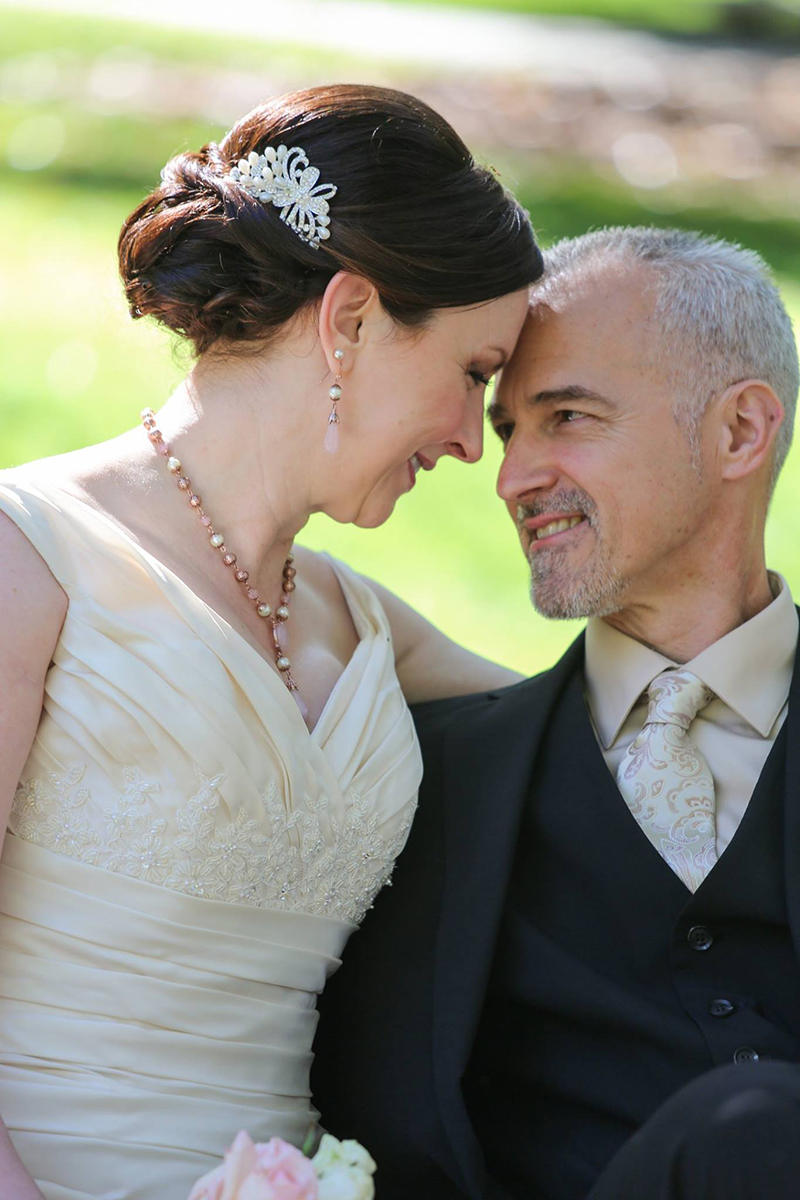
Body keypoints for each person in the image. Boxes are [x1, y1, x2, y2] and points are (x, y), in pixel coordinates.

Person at [0, 83, 541, 1199]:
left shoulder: (367, 628)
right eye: (473, 377)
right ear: (349, 319)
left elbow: (617, 720)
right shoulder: (30, 559)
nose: (467, 443)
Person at [312, 226, 800, 1200]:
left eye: (566, 417)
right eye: (505, 431)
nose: (511, 478)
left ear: (740, 431)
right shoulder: (430, 785)